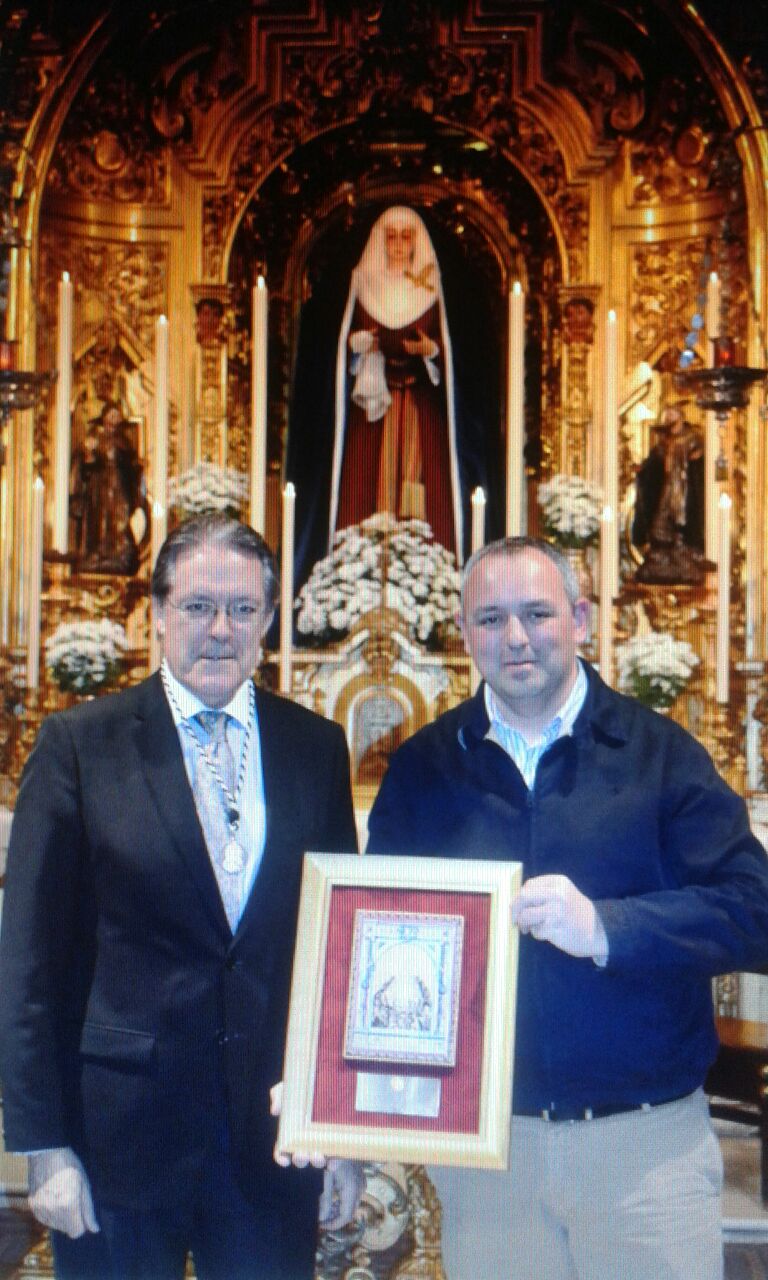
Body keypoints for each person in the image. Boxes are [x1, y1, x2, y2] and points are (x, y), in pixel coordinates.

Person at [367, 535, 768, 1280]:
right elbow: (375, 944)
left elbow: (755, 911)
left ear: (580, 619)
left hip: (645, 1154)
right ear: (463, 635)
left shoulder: (659, 754)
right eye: (490, 619)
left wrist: (608, 929)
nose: (514, 638)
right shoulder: (425, 768)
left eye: (536, 614)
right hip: (492, 1155)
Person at [0, 514, 362, 1280]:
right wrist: (42, 1147)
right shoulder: (79, 744)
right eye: (197, 606)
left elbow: (338, 955)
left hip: (272, 1149)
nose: (219, 630)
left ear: (267, 620)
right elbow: (27, 961)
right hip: (115, 1149)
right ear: (158, 613)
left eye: (241, 609)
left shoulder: (315, 748)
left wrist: (341, 1127)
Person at [330, 205, 463, 556]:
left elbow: (453, 351)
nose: (399, 244)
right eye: (392, 237)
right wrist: (359, 345)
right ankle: (362, 559)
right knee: (365, 477)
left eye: (407, 236)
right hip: (372, 405)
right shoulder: (364, 283)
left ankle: (421, 558)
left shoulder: (430, 288)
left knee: (422, 479)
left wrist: (430, 349)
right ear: (382, 241)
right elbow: (337, 344)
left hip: (419, 403)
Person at [632, 402, 707, 584]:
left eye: (672, 414)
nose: (669, 418)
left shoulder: (692, 438)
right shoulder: (664, 442)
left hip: (683, 488)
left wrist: (694, 460)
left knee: (681, 515)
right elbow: (654, 463)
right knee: (660, 517)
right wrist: (643, 469)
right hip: (667, 487)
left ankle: (683, 547)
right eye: (667, 415)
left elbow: (698, 461)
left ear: (680, 416)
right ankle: (661, 548)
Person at [69, 401, 145, 574]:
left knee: (120, 517)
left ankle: (119, 553)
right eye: (110, 415)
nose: (113, 419)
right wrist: (88, 457)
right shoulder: (95, 437)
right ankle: (99, 551)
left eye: (116, 416)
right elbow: (85, 465)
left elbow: (129, 465)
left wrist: (137, 466)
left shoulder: (123, 441)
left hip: (119, 486)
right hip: (100, 486)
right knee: (100, 519)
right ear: (103, 417)